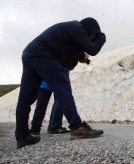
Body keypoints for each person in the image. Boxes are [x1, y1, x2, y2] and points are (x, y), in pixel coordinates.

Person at [15, 17, 106, 149]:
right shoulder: (77, 27)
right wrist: (102, 37)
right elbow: (92, 50)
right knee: (62, 87)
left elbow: (71, 54)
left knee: (26, 97)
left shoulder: (70, 33)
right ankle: (77, 127)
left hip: (30, 54)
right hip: (42, 54)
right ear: (91, 30)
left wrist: (81, 57)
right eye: (93, 36)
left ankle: (22, 136)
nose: (91, 39)